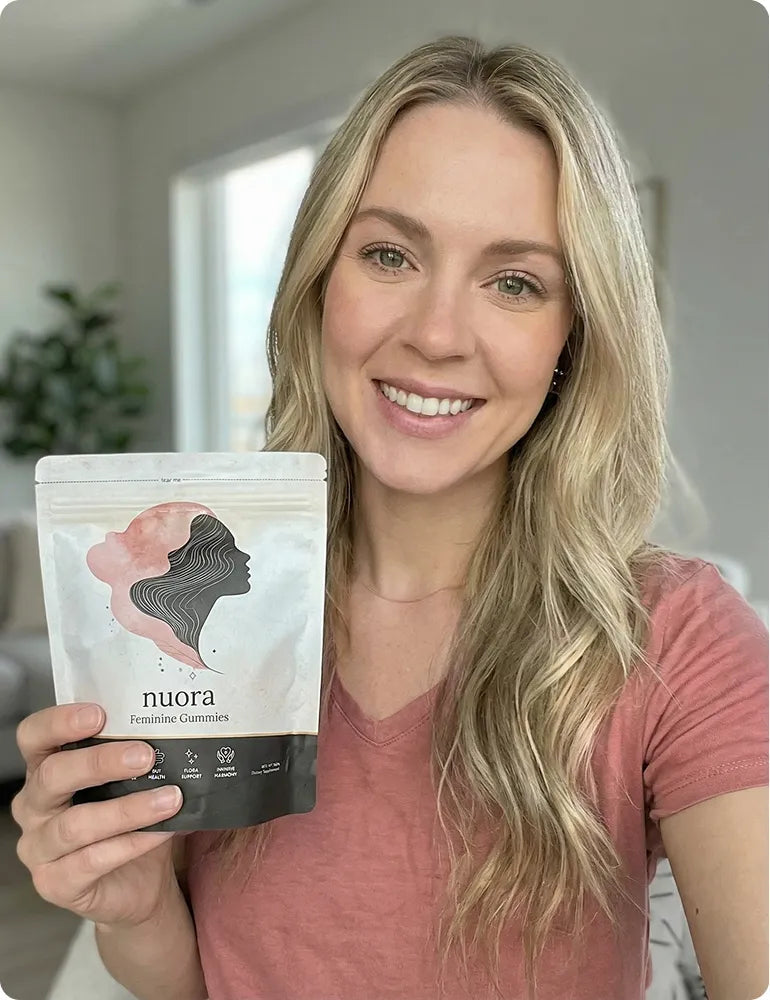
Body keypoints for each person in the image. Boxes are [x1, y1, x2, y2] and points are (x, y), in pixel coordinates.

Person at [10, 34, 768, 1000]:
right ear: (319, 283)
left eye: (515, 282)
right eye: (388, 254)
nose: (437, 334)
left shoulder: (678, 641)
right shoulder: (206, 620)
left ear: (573, 338)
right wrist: (140, 909)